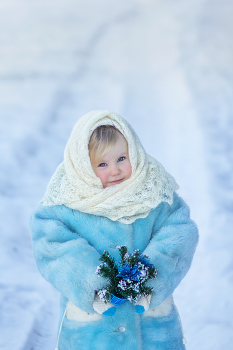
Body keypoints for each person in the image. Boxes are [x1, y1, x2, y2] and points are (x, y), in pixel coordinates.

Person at [30, 110, 198, 350]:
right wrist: (92, 283)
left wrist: (151, 277)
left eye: (122, 158)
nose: (115, 170)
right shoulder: (65, 204)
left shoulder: (154, 195)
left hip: (150, 326)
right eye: (102, 164)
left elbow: (179, 231)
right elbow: (51, 244)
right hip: (92, 331)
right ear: (83, 166)